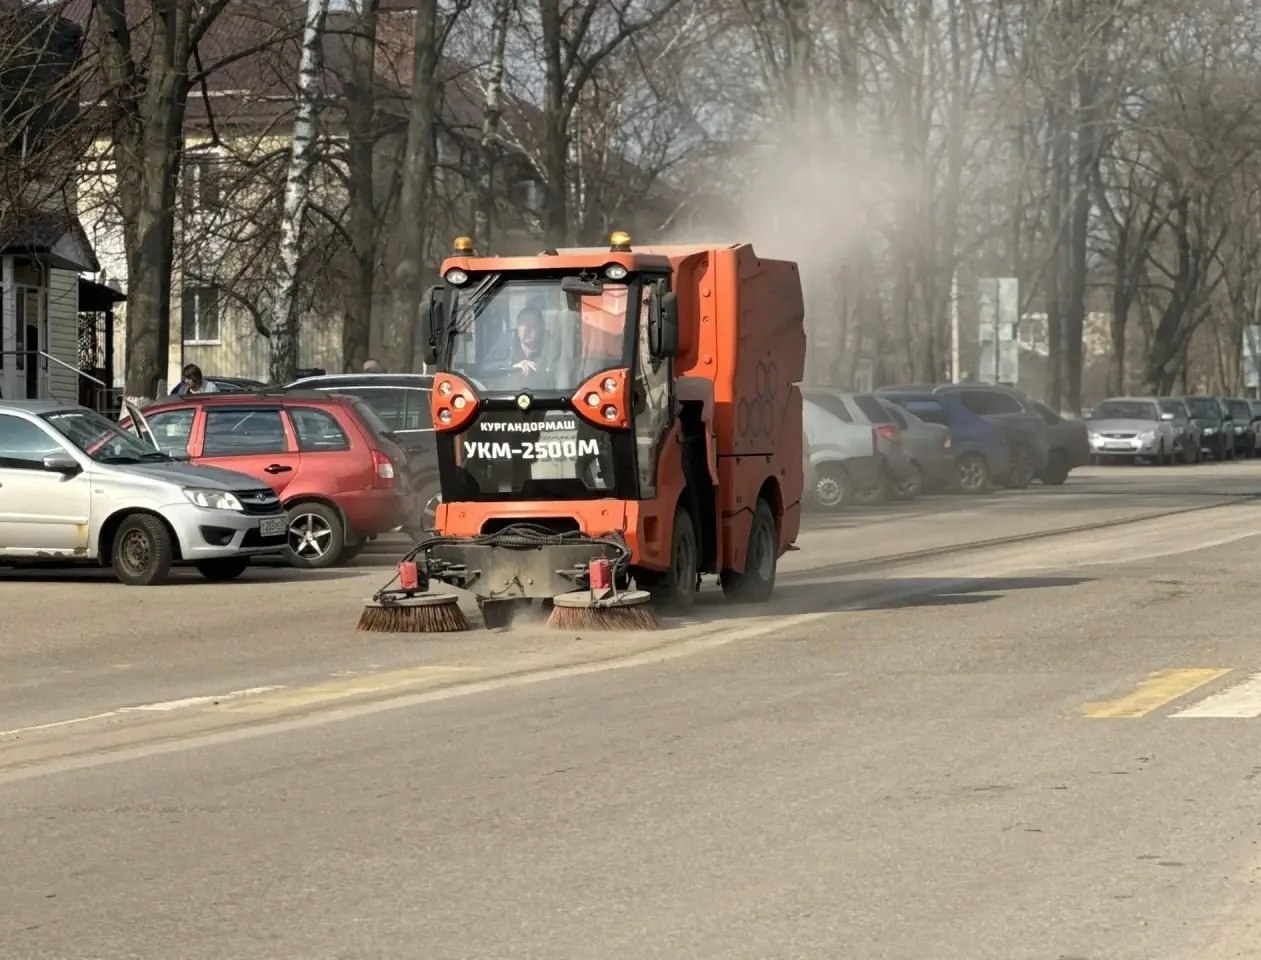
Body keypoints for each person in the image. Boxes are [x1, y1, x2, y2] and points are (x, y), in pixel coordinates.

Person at [490, 306, 557, 375]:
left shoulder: (551, 346)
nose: (527, 330)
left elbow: (559, 373)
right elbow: (485, 368)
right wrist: (511, 368)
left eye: (532, 324)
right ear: (517, 327)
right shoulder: (506, 343)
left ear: (541, 328)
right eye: (523, 324)